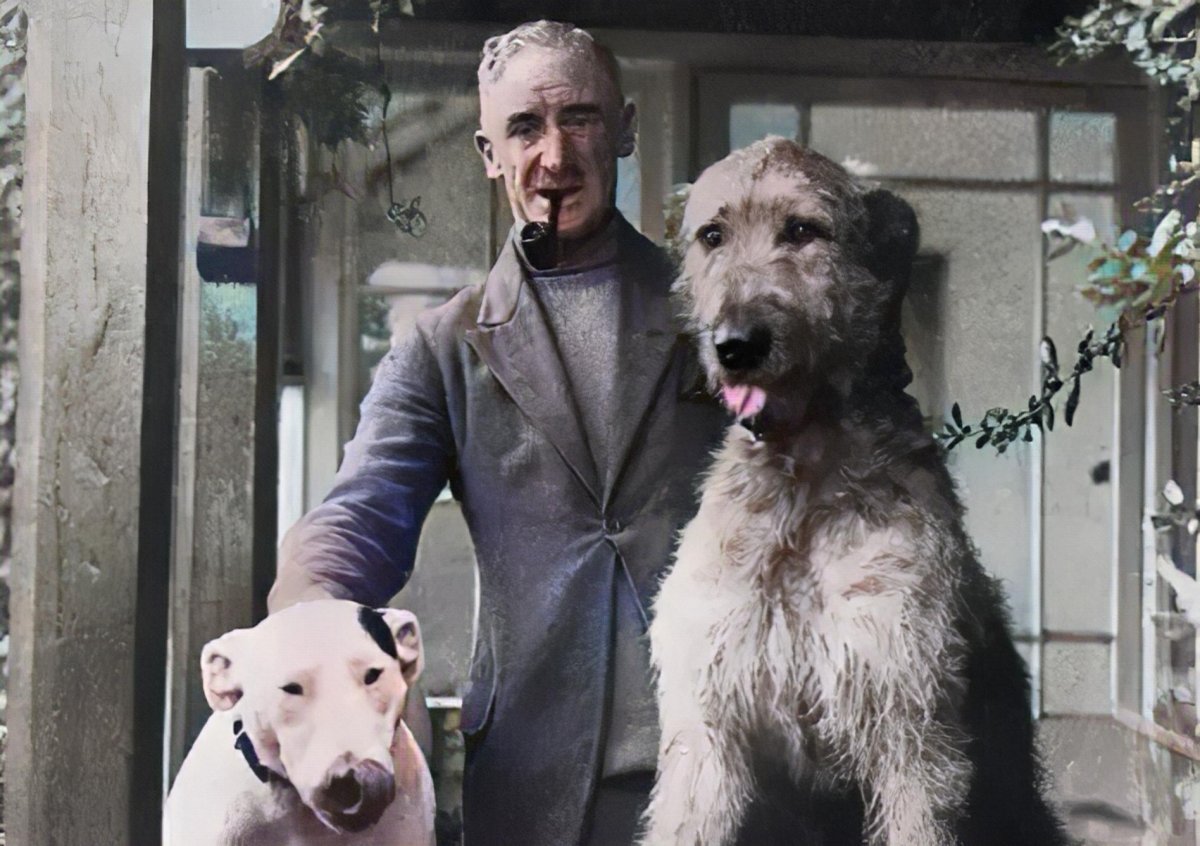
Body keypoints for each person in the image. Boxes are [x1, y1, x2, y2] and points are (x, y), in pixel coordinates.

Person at [269, 20, 727, 846]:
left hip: (729, 759)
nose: (554, 156)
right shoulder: (444, 346)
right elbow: (360, 517)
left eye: (579, 118)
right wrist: (306, 622)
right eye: (524, 128)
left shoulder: (717, 310)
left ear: (623, 128)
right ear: (489, 152)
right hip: (535, 780)